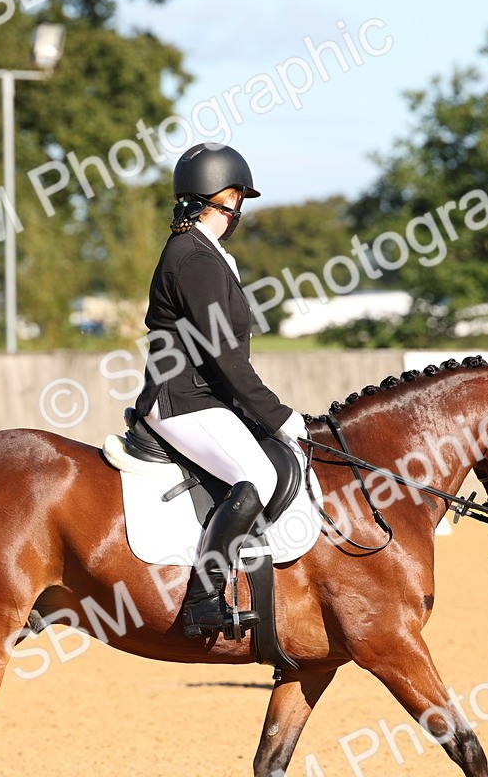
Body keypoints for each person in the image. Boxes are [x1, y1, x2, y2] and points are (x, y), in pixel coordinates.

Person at [134, 142, 306, 639]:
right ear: (226, 197)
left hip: (201, 396)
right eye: (239, 198)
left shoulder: (204, 252)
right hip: (182, 400)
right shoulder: (195, 258)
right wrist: (277, 415)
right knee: (257, 476)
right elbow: (224, 355)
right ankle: (202, 597)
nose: (240, 209)